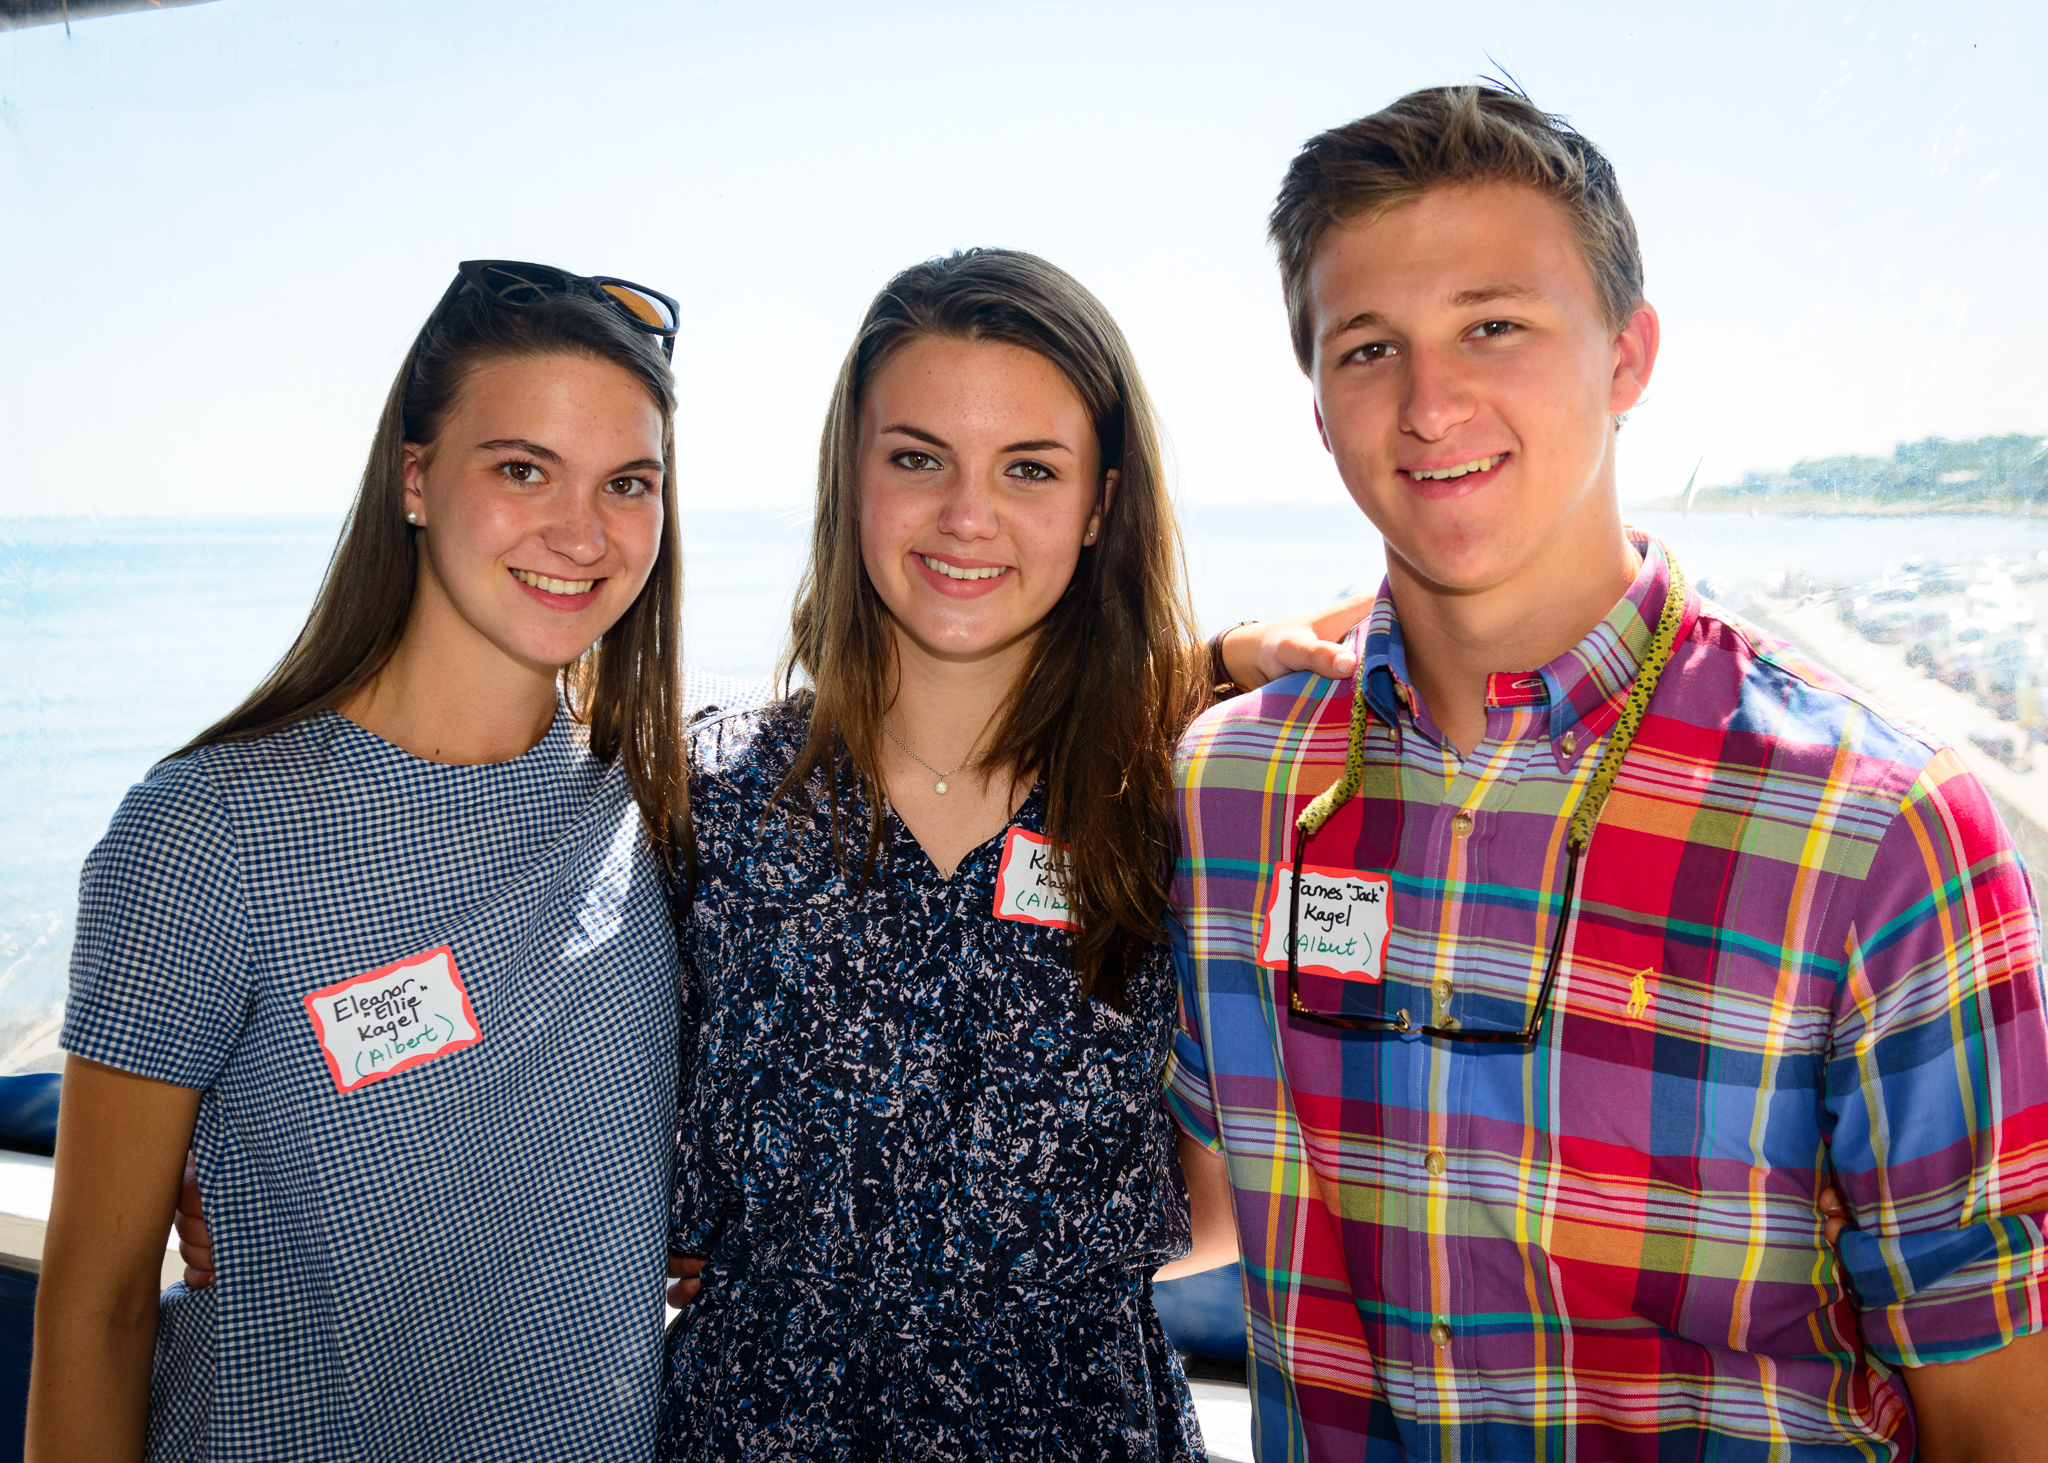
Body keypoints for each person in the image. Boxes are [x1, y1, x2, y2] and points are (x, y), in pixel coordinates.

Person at [1164, 84, 2048, 1461]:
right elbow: (1159, 1195)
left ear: (1629, 357)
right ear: (1318, 407)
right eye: (1368, 346)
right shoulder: (1232, 790)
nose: (1431, 400)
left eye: (1495, 325)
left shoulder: (1880, 829)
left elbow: (1998, 1414)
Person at [657, 248, 1342, 1460]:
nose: (965, 516)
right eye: (917, 457)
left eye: (1028, 468)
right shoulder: (710, 798)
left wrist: (1022, 1260)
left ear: (1097, 504)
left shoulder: (1177, 800)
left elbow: (1238, 1184)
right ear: (848, 478)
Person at [28, 261, 698, 1462]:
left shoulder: (656, 800)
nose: (581, 531)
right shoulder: (207, 831)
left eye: (627, 482)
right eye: (520, 467)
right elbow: (95, 1307)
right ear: (413, 480)